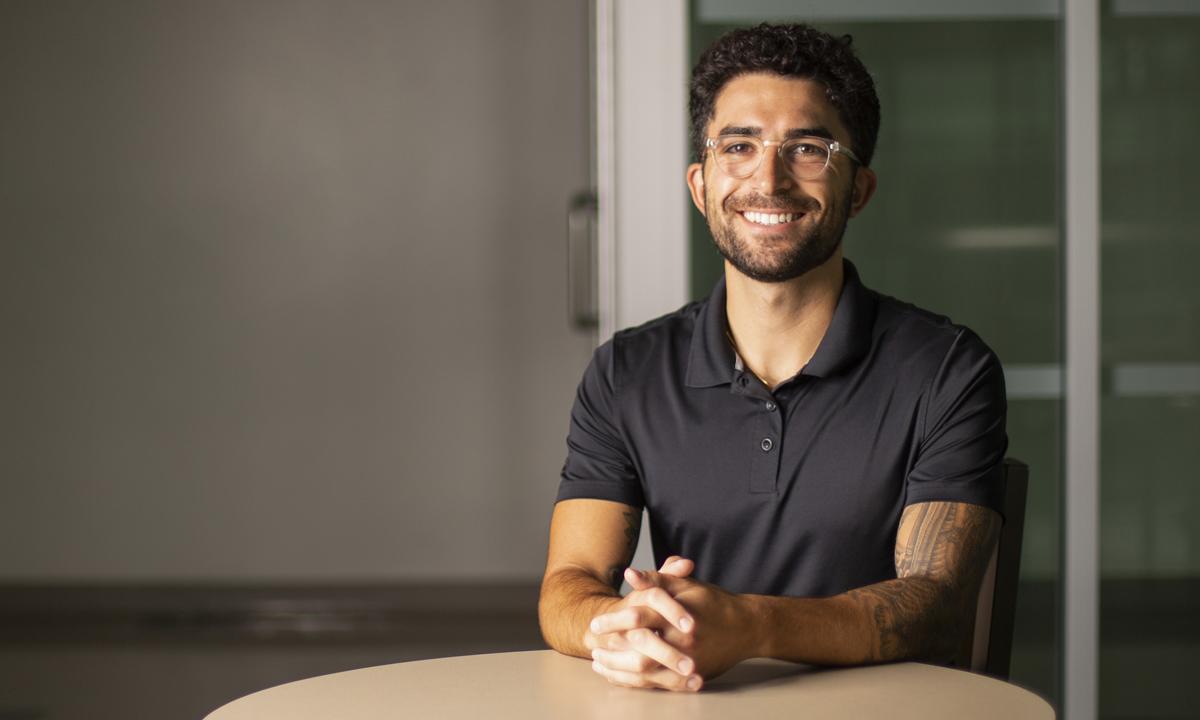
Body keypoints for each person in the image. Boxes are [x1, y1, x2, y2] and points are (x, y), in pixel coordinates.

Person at [538, 22, 1007, 693]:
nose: (769, 179)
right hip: (697, 704)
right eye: (739, 145)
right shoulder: (627, 372)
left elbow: (937, 604)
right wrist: (623, 622)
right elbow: (566, 586)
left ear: (859, 189)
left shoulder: (948, 370)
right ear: (701, 187)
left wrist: (751, 626)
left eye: (809, 148)